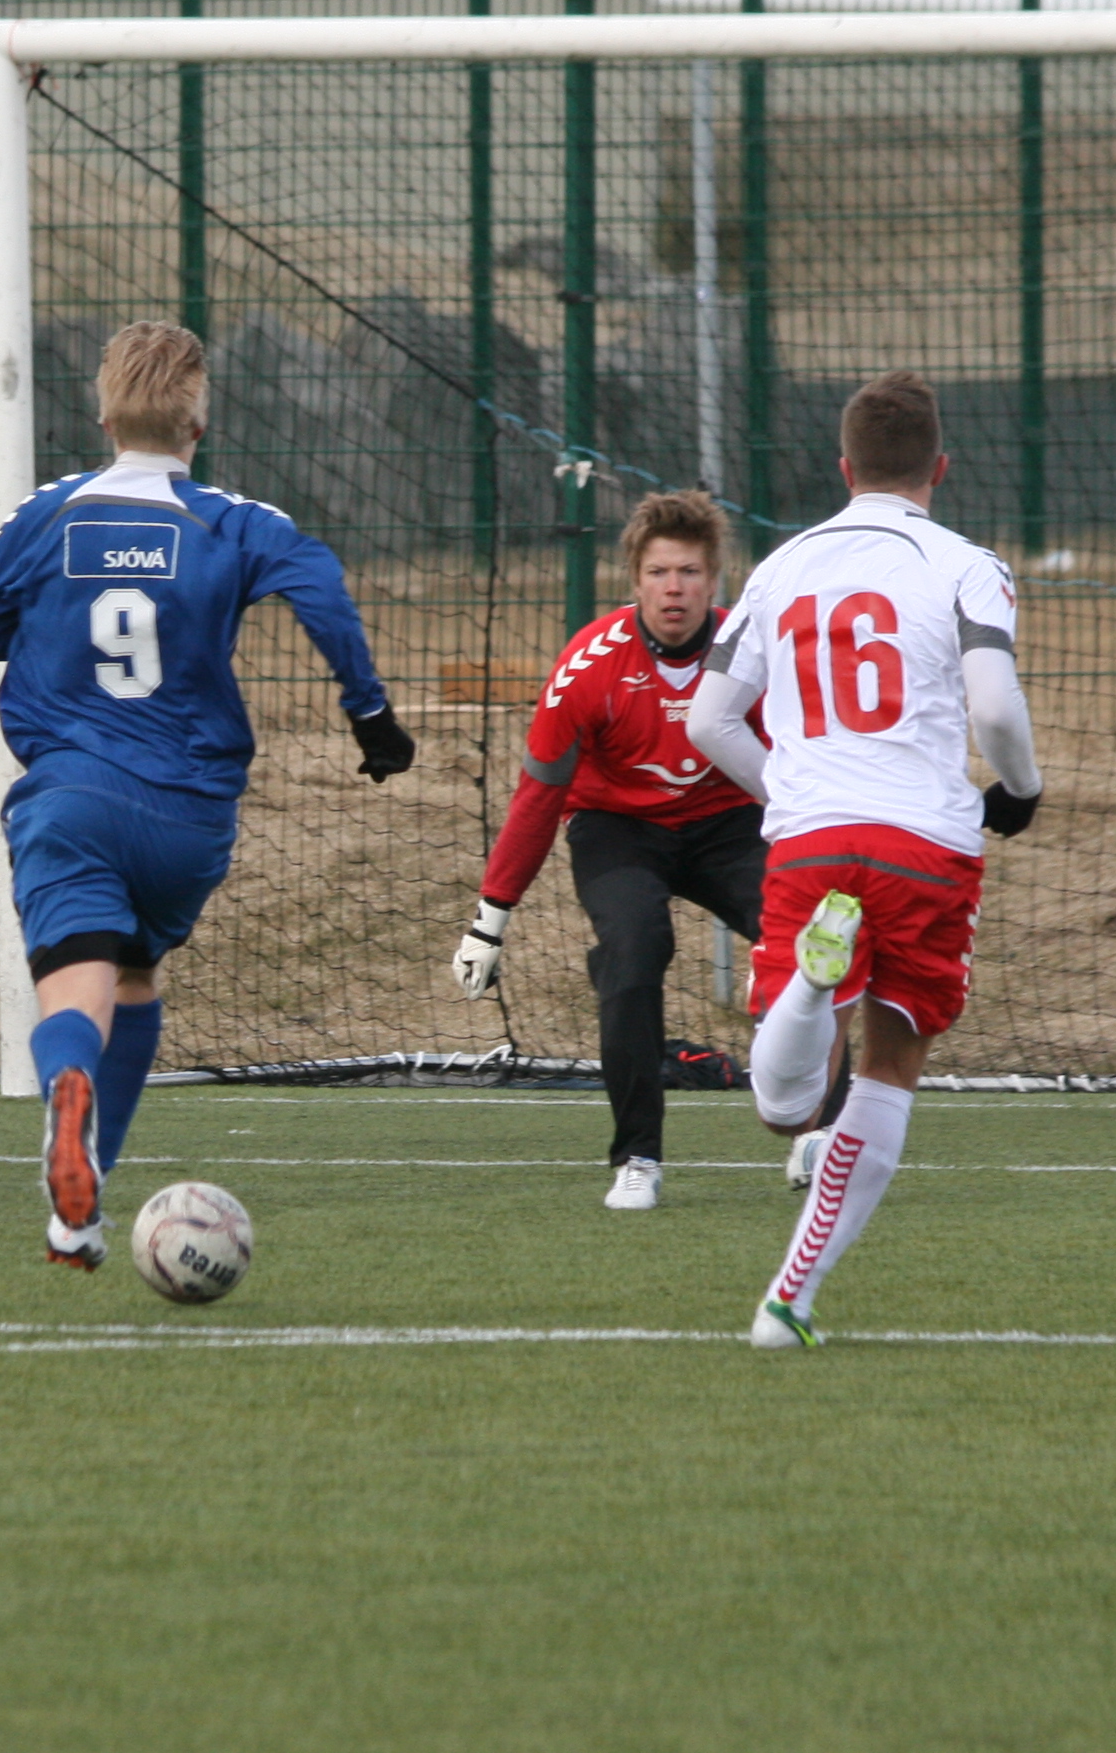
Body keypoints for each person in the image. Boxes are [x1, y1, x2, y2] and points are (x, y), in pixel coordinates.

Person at [0, 321, 411, 1267]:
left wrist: (54, 623)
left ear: (103, 416)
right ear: (200, 424)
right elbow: (322, 591)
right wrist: (370, 716)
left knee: (77, 990)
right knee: (136, 976)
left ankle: (68, 1100)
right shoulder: (236, 521)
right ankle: (78, 1218)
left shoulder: (47, 513)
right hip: (189, 814)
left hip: (71, 798)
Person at [681, 370, 1042, 1349]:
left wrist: (793, 787)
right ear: (941, 468)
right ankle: (787, 1303)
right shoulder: (967, 564)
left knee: (785, 1107)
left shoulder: (781, 567)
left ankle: (810, 986)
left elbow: (708, 720)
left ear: (843, 469)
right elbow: (996, 705)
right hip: (927, 844)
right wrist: (1020, 788)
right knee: (890, 1065)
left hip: (813, 841)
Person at [445, 490, 843, 1210]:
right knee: (633, 949)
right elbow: (537, 799)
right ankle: (638, 1157)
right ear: (634, 581)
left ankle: (821, 1134)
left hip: (728, 821)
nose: (674, 588)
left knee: (815, 940)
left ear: (714, 580)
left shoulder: (755, 651)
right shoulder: (588, 666)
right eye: (659, 572)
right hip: (617, 827)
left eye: (689, 572)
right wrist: (489, 920)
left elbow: (802, 761)